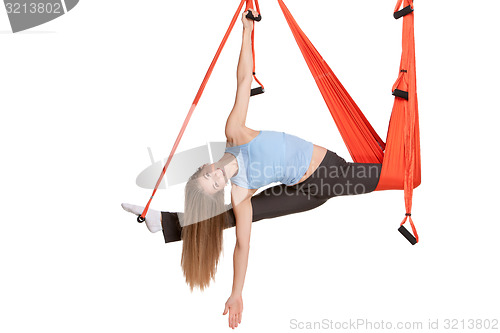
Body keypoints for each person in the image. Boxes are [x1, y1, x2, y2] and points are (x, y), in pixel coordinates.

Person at [122, 9, 381, 329]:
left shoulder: (235, 133)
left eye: (208, 175)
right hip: (310, 193)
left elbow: (243, 80)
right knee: (243, 214)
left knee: (394, 175)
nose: (218, 178)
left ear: (205, 165)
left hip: (329, 173)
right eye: (215, 185)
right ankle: (164, 222)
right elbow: (242, 246)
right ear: (219, 190)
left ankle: (165, 222)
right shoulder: (240, 190)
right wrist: (237, 293)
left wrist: (246, 32)